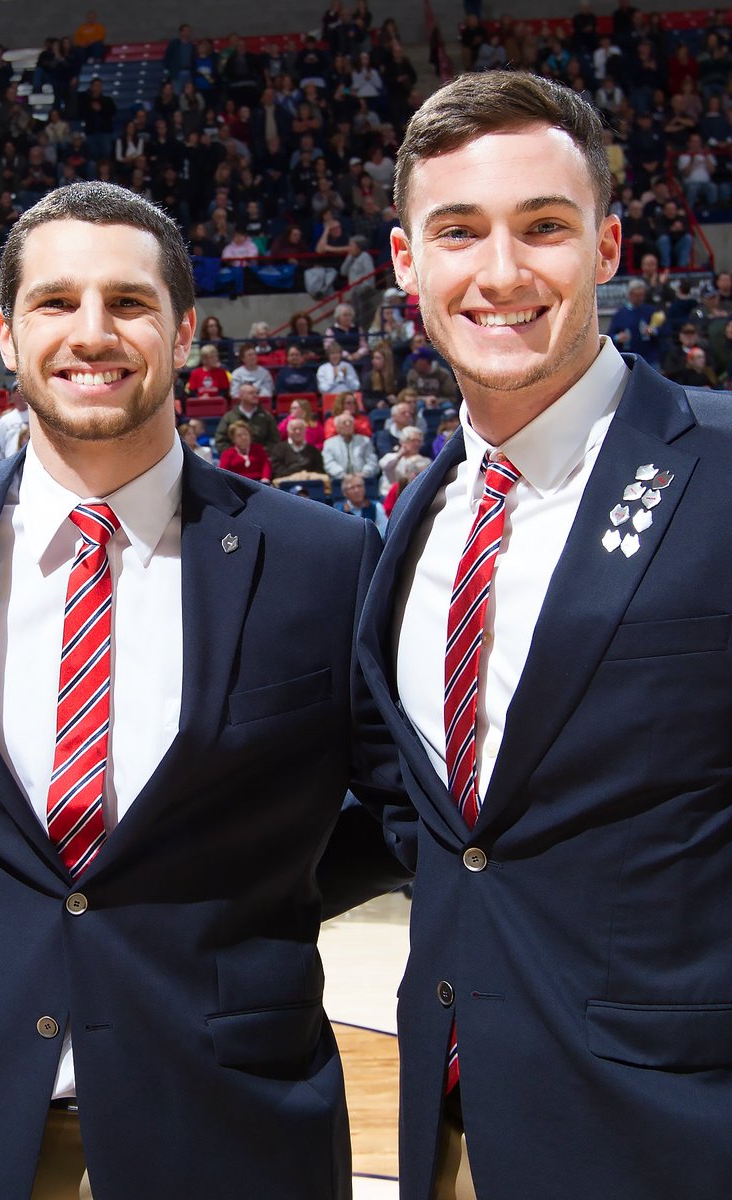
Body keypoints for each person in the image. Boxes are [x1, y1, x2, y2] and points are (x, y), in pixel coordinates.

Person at [0, 181, 402, 1200]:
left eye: (129, 303)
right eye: (55, 303)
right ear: (6, 336)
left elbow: (398, 807)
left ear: (187, 330)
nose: (91, 333)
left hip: (235, 1116)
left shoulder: (324, 558)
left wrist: (258, 901)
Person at [361, 70, 732, 1200]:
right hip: (458, 1130)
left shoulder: (720, 465)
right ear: (405, 262)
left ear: (610, 245)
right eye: (460, 231)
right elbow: (424, 818)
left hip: (683, 1130)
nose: (505, 272)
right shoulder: (418, 519)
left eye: (547, 227)